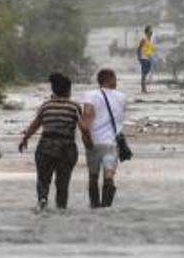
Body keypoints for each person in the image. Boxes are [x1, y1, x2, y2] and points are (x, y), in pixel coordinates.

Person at [19, 73, 90, 212]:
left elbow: (35, 125)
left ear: (53, 90)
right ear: (69, 90)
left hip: (45, 147)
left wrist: (25, 139)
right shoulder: (74, 107)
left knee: (43, 179)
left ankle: (43, 199)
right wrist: (89, 142)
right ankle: (61, 208)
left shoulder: (45, 106)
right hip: (66, 148)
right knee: (62, 183)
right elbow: (83, 128)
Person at [81, 68, 128, 208]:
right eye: (115, 78)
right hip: (111, 144)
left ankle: (94, 207)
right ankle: (106, 208)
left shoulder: (89, 95)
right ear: (111, 79)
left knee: (93, 177)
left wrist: (86, 138)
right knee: (109, 176)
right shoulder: (121, 97)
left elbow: (86, 118)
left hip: (93, 142)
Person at [137, 26, 156, 93]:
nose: (151, 32)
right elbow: (139, 48)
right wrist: (139, 57)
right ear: (146, 32)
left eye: (151, 31)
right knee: (144, 73)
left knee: (146, 73)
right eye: (150, 31)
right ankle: (143, 88)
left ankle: (144, 88)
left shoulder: (150, 40)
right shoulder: (144, 39)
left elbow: (151, 49)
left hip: (149, 58)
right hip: (144, 58)